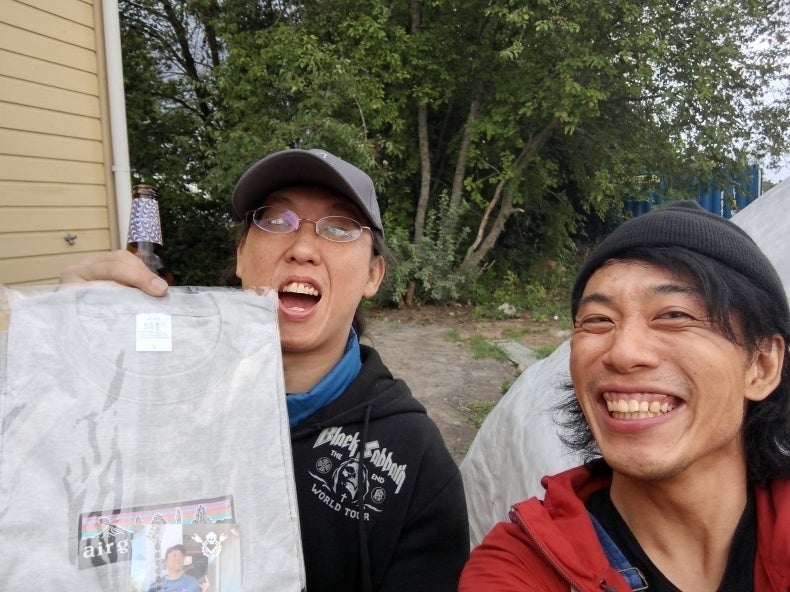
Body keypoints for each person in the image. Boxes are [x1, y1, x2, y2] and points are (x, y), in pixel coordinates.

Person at [61, 148, 469, 591]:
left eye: (339, 227)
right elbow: (76, 544)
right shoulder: (153, 397)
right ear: (241, 255)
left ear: (373, 275)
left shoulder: (414, 460)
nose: (303, 249)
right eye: (276, 221)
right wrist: (70, 366)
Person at [459, 201, 790, 591]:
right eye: (598, 320)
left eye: (674, 315)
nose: (623, 353)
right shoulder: (521, 566)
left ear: (762, 365)